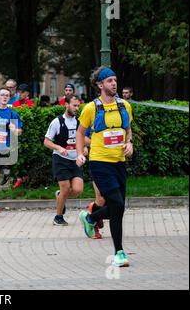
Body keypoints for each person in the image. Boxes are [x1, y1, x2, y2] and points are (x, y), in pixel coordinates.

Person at [76, 66, 134, 267]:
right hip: (100, 162)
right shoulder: (91, 108)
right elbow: (80, 132)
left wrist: (129, 143)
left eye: (115, 80)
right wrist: (79, 153)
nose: (114, 83)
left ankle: (91, 218)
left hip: (119, 162)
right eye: (109, 81)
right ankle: (119, 253)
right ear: (100, 85)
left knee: (118, 208)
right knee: (117, 204)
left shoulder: (124, 105)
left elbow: (127, 129)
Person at [44, 95, 84, 226]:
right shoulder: (57, 122)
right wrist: (58, 147)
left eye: (78, 106)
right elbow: (46, 142)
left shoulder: (79, 122)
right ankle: (58, 217)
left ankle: (60, 196)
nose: (77, 108)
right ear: (66, 105)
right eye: (74, 105)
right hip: (60, 159)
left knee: (77, 190)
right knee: (65, 188)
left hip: (75, 160)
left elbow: (83, 140)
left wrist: (84, 150)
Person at [11, 83, 34, 188]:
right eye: (18, 92)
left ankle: (26, 178)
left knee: (27, 158)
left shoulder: (30, 104)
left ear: (27, 93)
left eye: (22, 92)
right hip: (16, 134)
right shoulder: (15, 104)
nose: (20, 94)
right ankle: (17, 178)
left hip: (28, 136)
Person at [84, 127, 105, 239]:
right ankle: (93, 224)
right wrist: (99, 143)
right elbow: (82, 136)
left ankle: (94, 212)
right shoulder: (92, 112)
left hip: (115, 161)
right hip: (97, 161)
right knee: (101, 197)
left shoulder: (120, 112)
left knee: (115, 201)